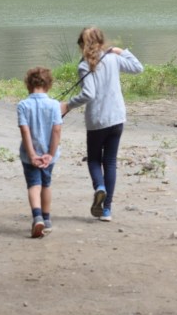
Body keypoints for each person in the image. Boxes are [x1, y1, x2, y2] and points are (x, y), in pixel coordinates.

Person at [60, 26, 142, 222]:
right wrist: (119, 50)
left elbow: (89, 94)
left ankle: (100, 187)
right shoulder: (113, 59)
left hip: (97, 121)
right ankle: (107, 210)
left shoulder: (84, 65)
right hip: (117, 119)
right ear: (102, 42)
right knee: (111, 162)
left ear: (82, 45)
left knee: (94, 160)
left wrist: (68, 106)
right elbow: (138, 67)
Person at [17, 66, 62, 238]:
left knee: (33, 185)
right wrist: (50, 154)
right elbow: (56, 130)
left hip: (30, 156)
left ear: (28, 84)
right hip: (49, 155)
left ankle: (37, 217)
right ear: (48, 85)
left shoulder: (23, 105)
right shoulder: (54, 105)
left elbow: (25, 131)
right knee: (46, 184)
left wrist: (32, 154)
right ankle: (47, 219)